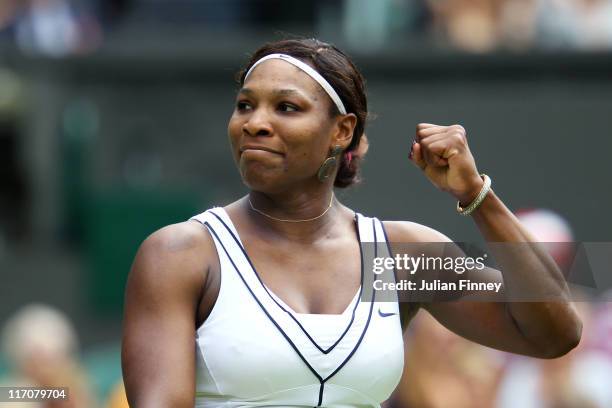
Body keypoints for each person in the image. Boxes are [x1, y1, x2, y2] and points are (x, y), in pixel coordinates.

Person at [121, 38, 582, 407]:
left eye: (286, 107)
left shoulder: (398, 258)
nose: (255, 123)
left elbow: (553, 333)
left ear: (341, 132)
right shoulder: (184, 253)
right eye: (245, 105)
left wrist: (475, 194)